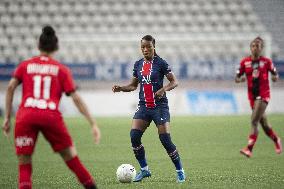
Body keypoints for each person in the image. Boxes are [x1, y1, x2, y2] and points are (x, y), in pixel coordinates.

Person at [2, 26, 100, 189]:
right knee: (71, 159)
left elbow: (11, 87)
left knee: (24, 164)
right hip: (50, 116)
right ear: (56, 47)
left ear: (38, 46)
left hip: (26, 115)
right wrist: (93, 123)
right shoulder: (61, 70)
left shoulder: (25, 66)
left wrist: (7, 118)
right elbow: (75, 98)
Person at [112, 35, 186, 183]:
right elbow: (133, 85)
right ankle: (145, 169)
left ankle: (180, 171)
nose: (145, 50)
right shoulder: (138, 64)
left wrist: (164, 89)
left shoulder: (161, 63)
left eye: (148, 47)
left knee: (165, 140)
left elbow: (174, 81)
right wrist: (121, 88)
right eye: (143, 47)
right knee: (134, 137)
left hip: (159, 107)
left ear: (154, 47)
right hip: (144, 106)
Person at [235, 36, 282, 158]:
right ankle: (277, 140)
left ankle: (249, 149)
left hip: (264, 95)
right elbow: (237, 78)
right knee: (264, 124)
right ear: (251, 48)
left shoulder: (267, 62)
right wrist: (241, 79)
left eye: (258, 46)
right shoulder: (244, 62)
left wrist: (274, 78)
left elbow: (275, 75)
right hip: (252, 97)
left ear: (262, 49)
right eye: (254, 46)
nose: (256, 48)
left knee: (254, 120)